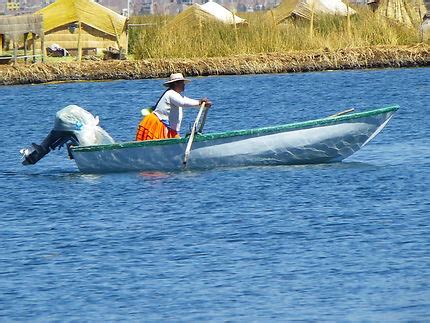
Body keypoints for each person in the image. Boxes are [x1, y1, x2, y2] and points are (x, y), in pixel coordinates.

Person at [135, 73, 212, 141]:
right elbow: (182, 102)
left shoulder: (175, 95)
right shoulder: (170, 93)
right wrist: (199, 102)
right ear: (176, 84)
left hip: (169, 128)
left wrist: (201, 104)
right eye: (182, 83)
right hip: (159, 125)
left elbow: (185, 100)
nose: (184, 85)